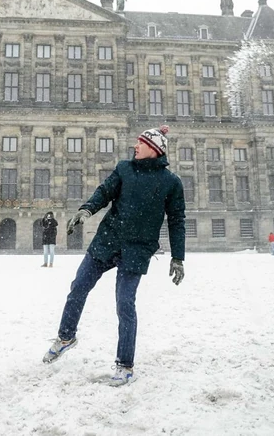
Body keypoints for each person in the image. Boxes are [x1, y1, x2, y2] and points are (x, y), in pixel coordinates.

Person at [42, 125, 186, 386]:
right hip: (108, 241)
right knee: (78, 287)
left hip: (137, 249)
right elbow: (104, 192)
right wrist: (86, 210)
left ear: (154, 150)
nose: (135, 146)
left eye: (141, 143)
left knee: (124, 304)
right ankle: (65, 337)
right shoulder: (124, 168)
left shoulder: (171, 182)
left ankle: (125, 365)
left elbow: (177, 220)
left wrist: (178, 256)